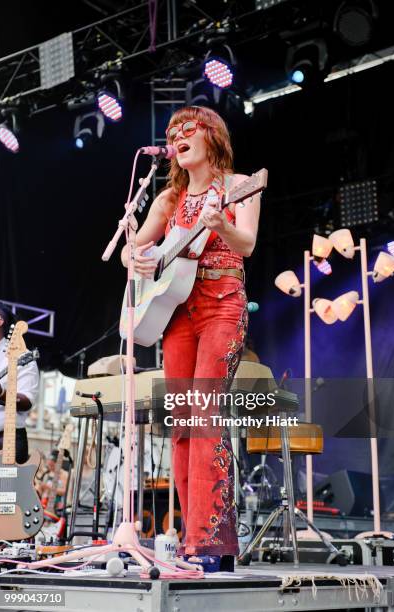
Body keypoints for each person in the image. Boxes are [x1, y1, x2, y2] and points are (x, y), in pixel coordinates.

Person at [126, 106, 260, 571]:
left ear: (212, 137)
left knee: (205, 417)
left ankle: (213, 542)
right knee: (180, 428)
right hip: (178, 314)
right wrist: (136, 259)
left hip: (223, 305)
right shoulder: (168, 200)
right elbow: (134, 247)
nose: (176, 136)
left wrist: (221, 225)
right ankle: (189, 540)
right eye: (171, 133)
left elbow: (246, 244)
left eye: (187, 129)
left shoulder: (239, 185)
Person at [0, 301, 39, 464]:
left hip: (6, 440)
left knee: (5, 490)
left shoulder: (20, 355)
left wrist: (0, 392)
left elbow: (27, 401)